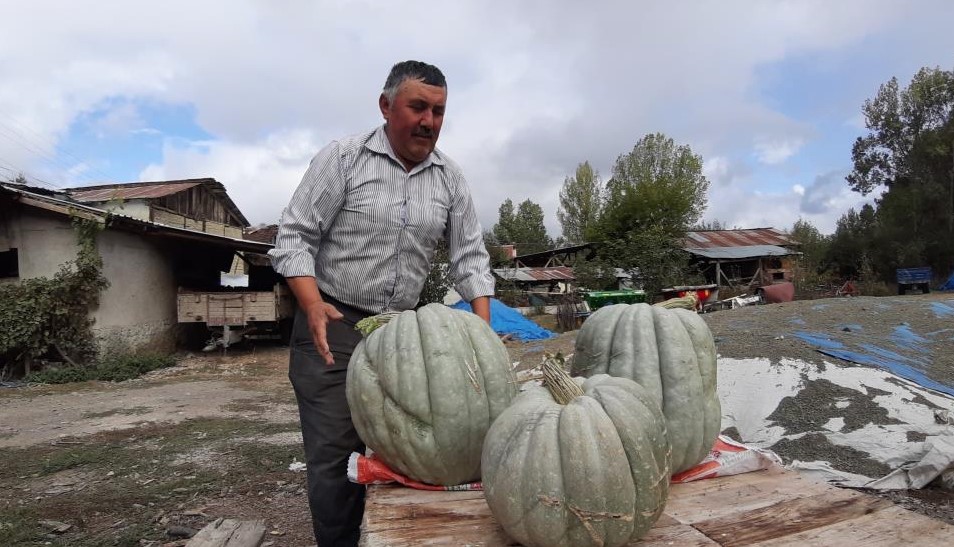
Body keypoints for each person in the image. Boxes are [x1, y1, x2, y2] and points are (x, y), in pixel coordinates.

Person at [267, 60, 494, 546]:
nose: (428, 121)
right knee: (334, 457)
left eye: (438, 111)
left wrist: (483, 334)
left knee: (412, 449)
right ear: (386, 106)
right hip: (332, 322)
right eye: (417, 107)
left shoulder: (450, 179)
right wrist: (310, 304)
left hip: (403, 334)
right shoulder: (343, 158)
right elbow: (294, 237)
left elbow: (470, 258)